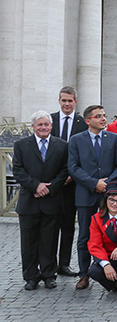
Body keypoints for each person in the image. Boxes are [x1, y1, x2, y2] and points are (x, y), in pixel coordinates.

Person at [68, 104, 117, 290]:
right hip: (85, 194)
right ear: (88, 121)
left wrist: (107, 184)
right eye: (98, 116)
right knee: (85, 235)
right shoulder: (76, 140)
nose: (103, 119)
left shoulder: (114, 138)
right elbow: (73, 167)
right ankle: (84, 274)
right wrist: (94, 183)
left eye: (104, 115)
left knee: (111, 234)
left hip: (108, 195)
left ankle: (112, 273)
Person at [13, 110, 70, 290]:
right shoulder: (21, 145)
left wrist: (49, 188)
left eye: (46, 124)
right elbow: (18, 170)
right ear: (33, 127)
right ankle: (30, 276)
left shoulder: (62, 145)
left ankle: (48, 274)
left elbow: (65, 170)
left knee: (50, 240)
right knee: (28, 242)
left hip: (52, 200)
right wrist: (36, 186)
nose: (43, 127)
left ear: (51, 126)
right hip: (29, 200)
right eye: (40, 125)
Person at [50, 86, 86, 277]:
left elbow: (84, 154)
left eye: (70, 101)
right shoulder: (50, 120)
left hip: (73, 183)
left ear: (75, 102)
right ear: (59, 101)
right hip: (52, 183)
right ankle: (48, 264)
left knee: (68, 226)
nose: (66, 104)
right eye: (63, 100)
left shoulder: (82, 123)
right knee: (50, 225)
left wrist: (71, 175)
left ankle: (64, 263)